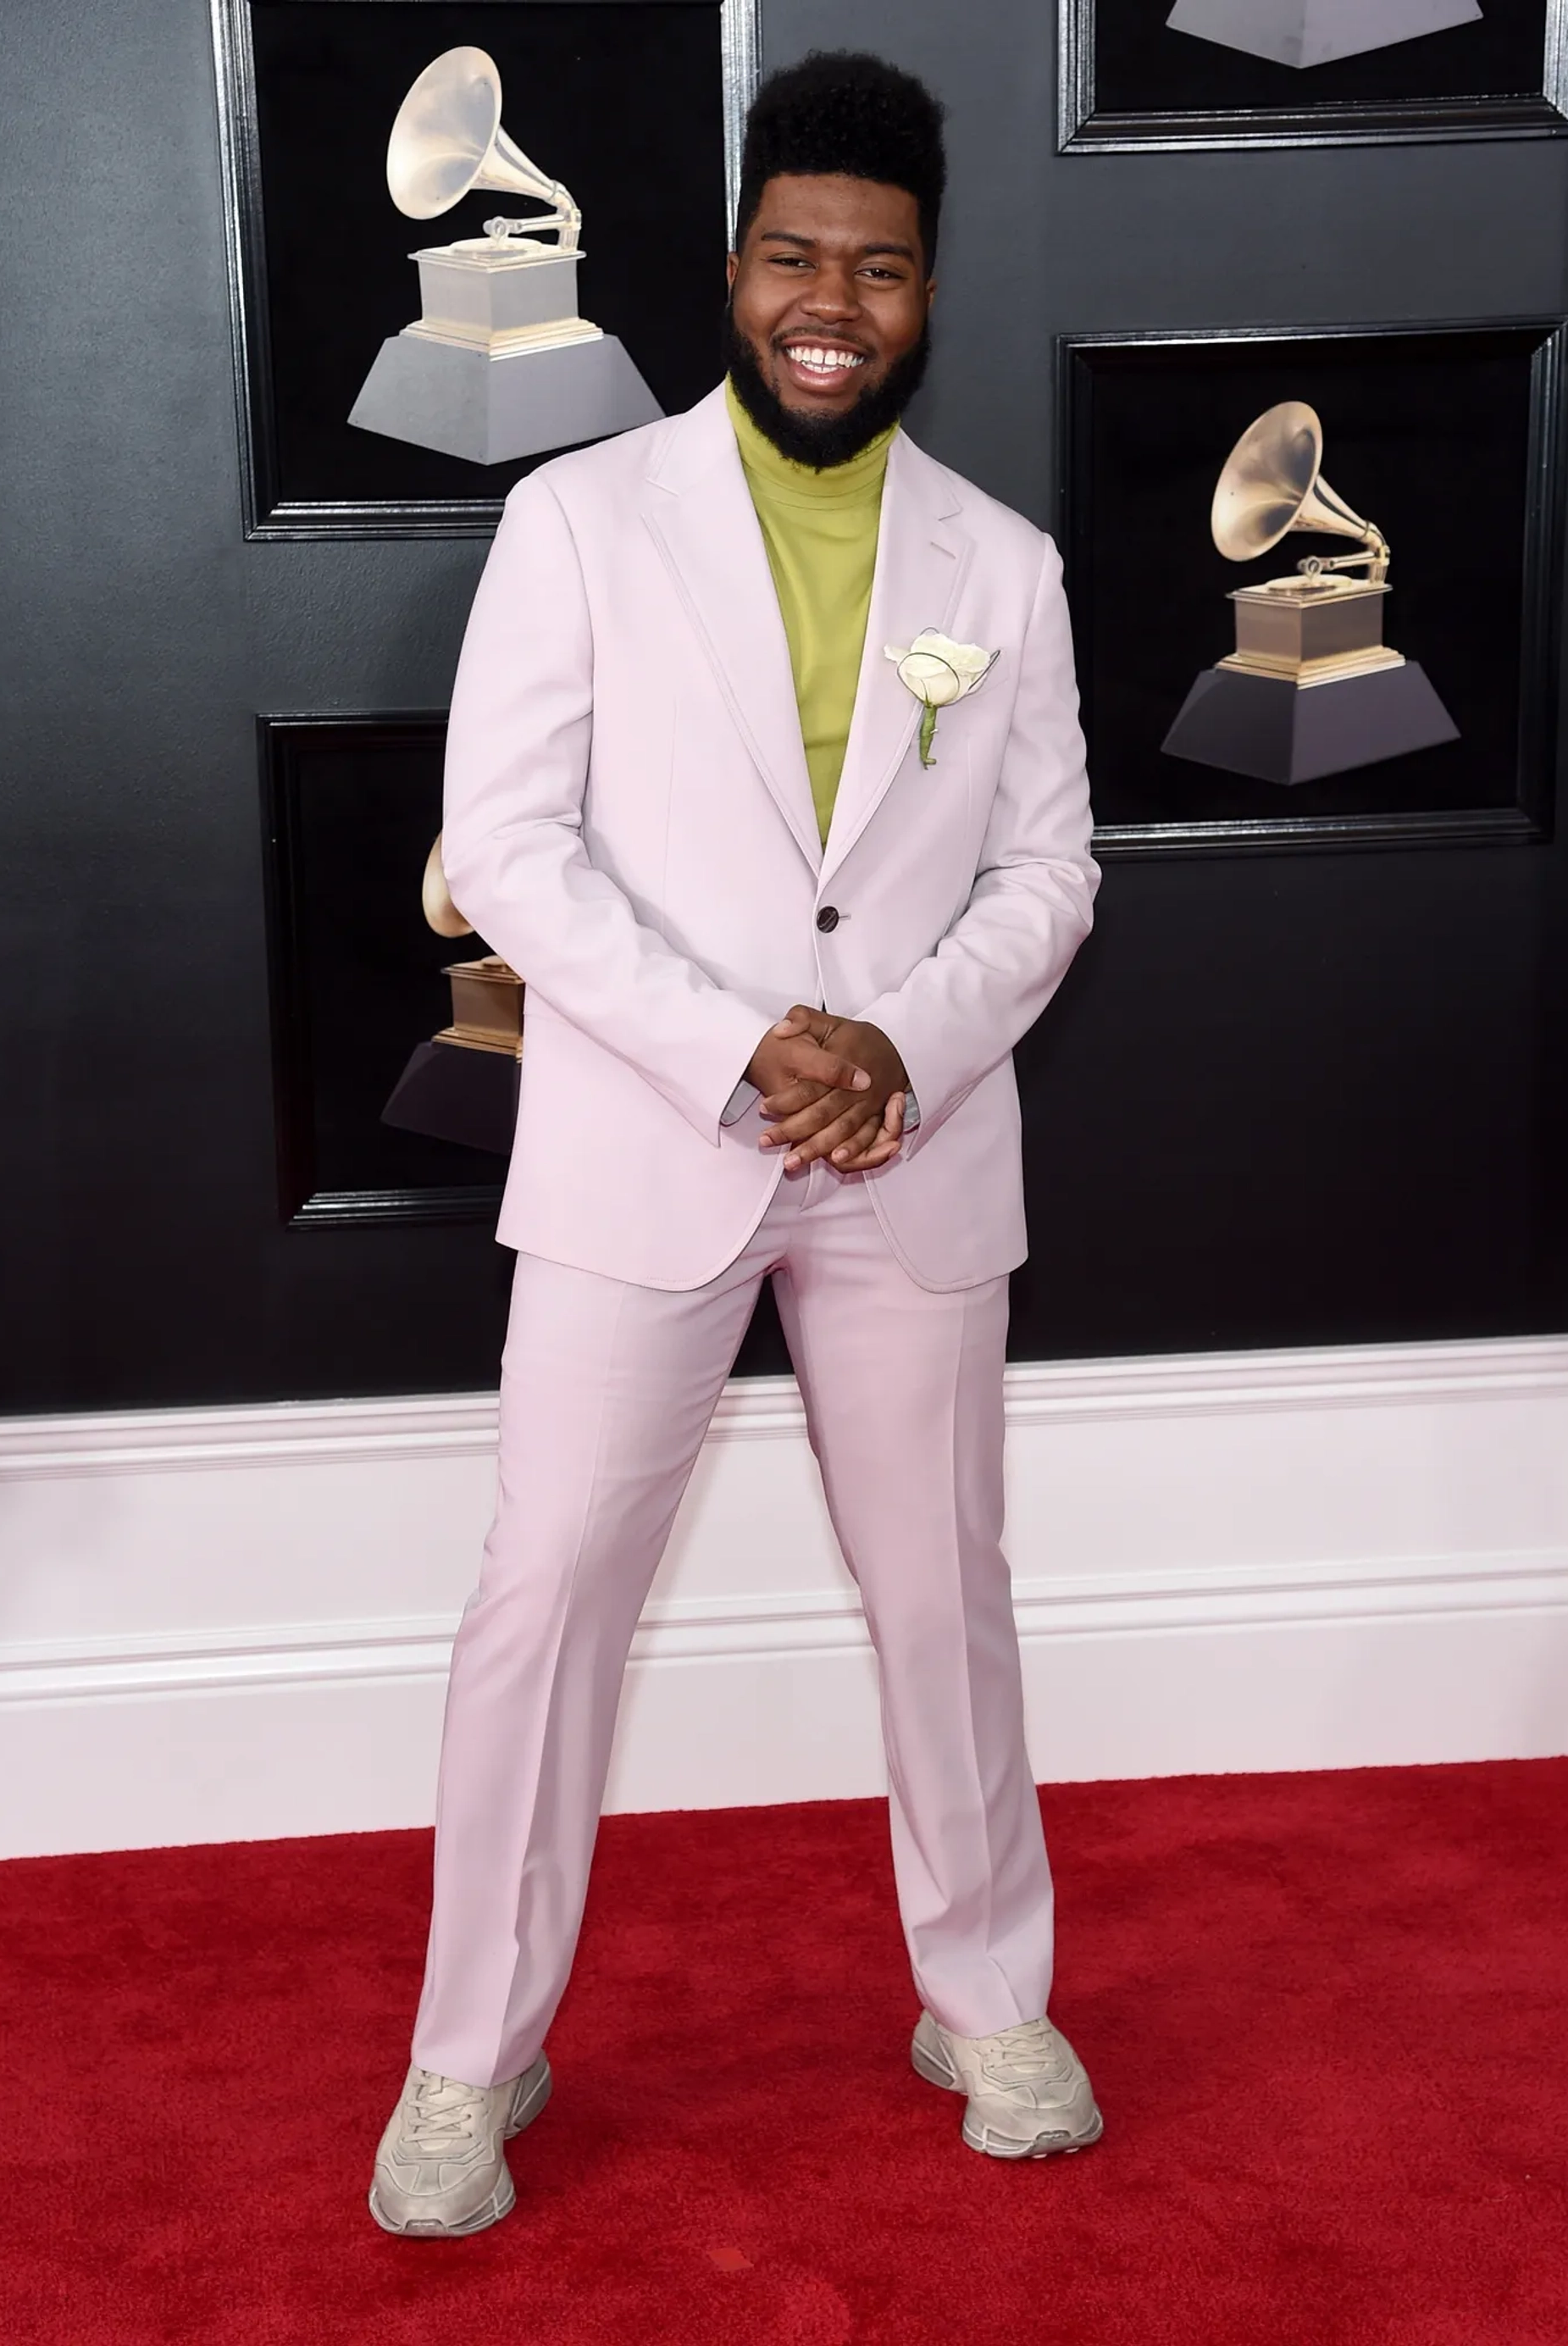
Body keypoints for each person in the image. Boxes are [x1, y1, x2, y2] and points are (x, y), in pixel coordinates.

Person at [369, 50, 1102, 2238]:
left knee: (943, 1594)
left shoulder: (1016, 564)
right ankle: (466, 2058)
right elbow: (504, 847)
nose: (831, 301)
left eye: (877, 269)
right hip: (641, 1147)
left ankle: (988, 1998)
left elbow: (1051, 875)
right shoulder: (581, 519)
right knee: (547, 1597)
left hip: (917, 1144)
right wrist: (748, 1048)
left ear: (926, 296)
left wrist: (891, 1049)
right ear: (733, 269)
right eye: (797, 255)